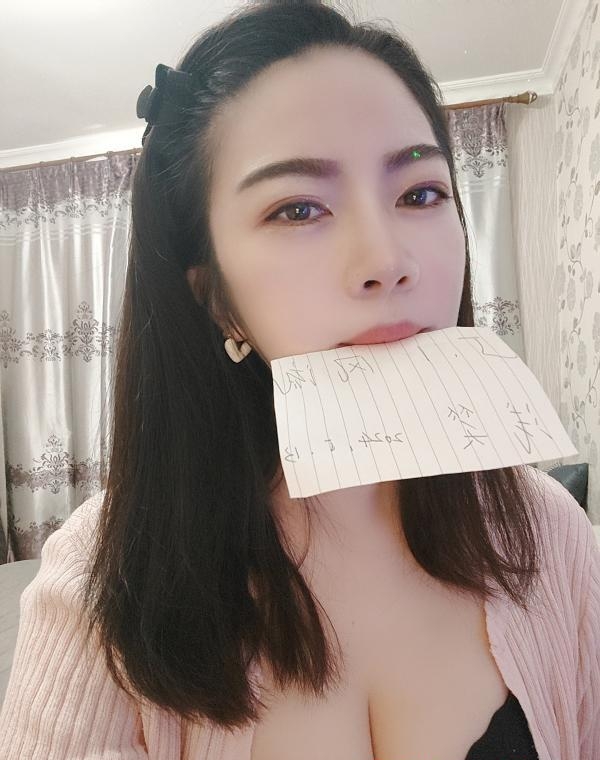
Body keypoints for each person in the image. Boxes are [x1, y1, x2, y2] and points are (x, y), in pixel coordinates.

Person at [1, 1, 598, 758]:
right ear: (216, 298)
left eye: (420, 193)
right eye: (298, 209)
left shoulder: (546, 530)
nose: (387, 260)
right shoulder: (101, 580)